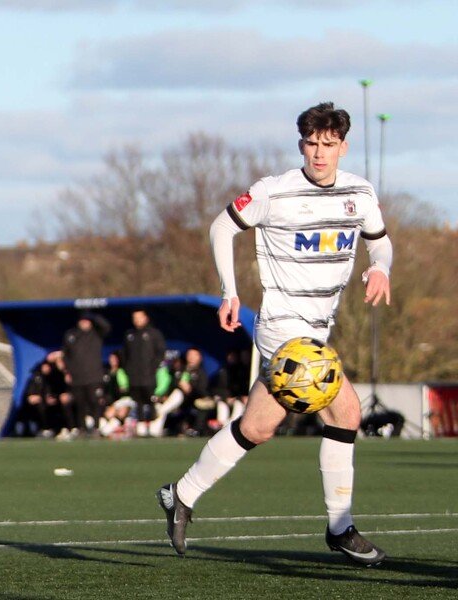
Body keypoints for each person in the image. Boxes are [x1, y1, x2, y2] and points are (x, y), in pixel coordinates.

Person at [157, 102, 393, 567]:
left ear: (343, 147)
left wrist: (380, 266)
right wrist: (229, 293)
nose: (319, 153)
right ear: (301, 144)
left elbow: (379, 240)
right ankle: (340, 528)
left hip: (319, 329)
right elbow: (221, 227)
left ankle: (180, 493)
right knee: (346, 411)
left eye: (328, 144)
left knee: (258, 427)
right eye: (311, 143)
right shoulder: (274, 192)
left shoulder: (360, 193)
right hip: (282, 327)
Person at [61, 312, 110, 436]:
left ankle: (96, 427)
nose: (84, 323)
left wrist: (94, 315)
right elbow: (66, 356)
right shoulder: (71, 335)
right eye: (82, 320)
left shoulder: (96, 333)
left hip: (94, 376)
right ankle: (82, 428)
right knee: (80, 403)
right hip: (77, 377)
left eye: (87, 321)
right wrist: (67, 371)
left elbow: (106, 326)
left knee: (95, 401)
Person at [122, 309, 166, 436]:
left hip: (149, 375)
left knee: (151, 399)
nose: (137, 320)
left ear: (146, 318)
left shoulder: (154, 334)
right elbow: (125, 354)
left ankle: (153, 425)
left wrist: (152, 367)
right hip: (134, 376)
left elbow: (160, 352)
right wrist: (128, 369)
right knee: (138, 401)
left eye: (139, 317)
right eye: (135, 318)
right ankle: (140, 426)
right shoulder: (129, 335)